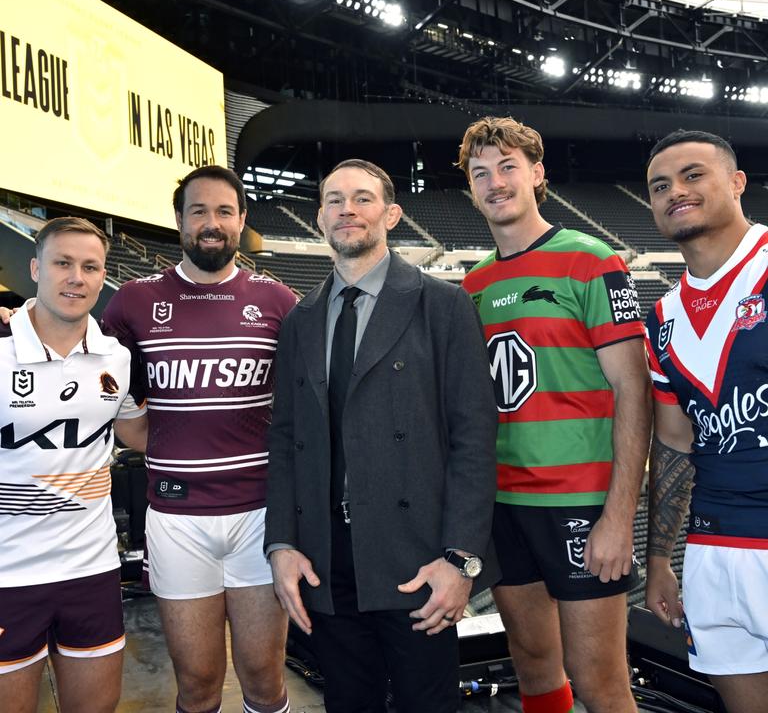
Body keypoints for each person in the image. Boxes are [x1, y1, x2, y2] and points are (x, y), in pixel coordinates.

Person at [264, 158, 498, 713]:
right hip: (328, 561)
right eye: (335, 200)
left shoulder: (442, 304)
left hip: (417, 561)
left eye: (363, 198)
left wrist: (460, 559)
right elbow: (285, 438)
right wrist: (282, 543)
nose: (349, 210)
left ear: (390, 214)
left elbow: (474, 436)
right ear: (320, 218)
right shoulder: (302, 319)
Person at [459, 117, 651, 713]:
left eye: (508, 166)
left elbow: (633, 390)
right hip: (506, 505)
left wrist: (620, 515)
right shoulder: (473, 284)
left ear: (537, 174)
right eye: (480, 173)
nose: (495, 182)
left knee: (599, 681)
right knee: (535, 668)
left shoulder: (591, 261)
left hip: (579, 502)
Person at [101, 166, 297, 713]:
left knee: (263, 678)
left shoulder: (279, 301)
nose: (211, 224)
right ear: (180, 221)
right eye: (198, 211)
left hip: (260, 515)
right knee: (198, 683)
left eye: (223, 211)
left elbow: (302, 411)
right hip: (176, 519)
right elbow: (115, 403)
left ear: (241, 221)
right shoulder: (133, 303)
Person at [0, 217, 147, 713]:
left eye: (90, 267)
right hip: (7, 575)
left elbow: (137, 434)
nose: (76, 278)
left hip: (92, 569)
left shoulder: (118, 358)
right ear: (36, 267)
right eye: (63, 263)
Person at [644, 130, 768, 713]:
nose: (676, 192)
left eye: (694, 175)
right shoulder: (662, 319)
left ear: (737, 182)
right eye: (661, 186)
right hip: (715, 549)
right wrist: (662, 559)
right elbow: (672, 443)